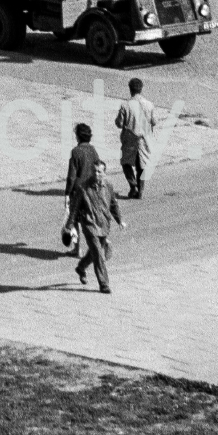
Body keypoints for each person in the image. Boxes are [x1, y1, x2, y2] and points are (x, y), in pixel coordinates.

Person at [73, 160, 125, 293]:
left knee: (94, 252)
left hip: (103, 223)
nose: (96, 174)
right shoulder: (83, 187)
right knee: (98, 254)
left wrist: (119, 220)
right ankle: (104, 284)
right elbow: (74, 208)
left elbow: (113, 204)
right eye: (94, 171)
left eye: (99, 171)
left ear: (104, 173)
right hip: (89, 223)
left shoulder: (108, 186)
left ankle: (81, 267)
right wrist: (69, 226)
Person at [114, 78, 157, 199]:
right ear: (141, 89)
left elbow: (119, 123)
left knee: (125, 162)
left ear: (130, 89)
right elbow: (154, 121)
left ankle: (133, 186)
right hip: (144, 140)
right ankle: (141, 190)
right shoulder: (149, 104)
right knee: (141, 165)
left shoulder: (125, 105)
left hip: (129, 139)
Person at [62, 123, 100, 255]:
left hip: (78, 191)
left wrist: (67, 192)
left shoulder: (76, 152)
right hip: (91, 190)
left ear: (78, 136)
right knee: (89, 218)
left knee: (75, 218)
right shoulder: (93, 150)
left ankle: (77, 249)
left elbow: (71, 176)